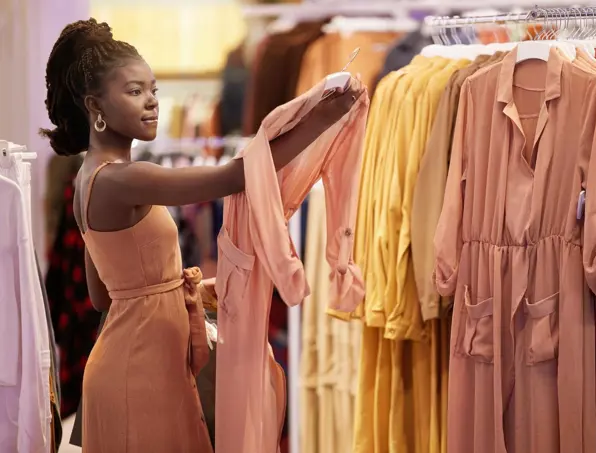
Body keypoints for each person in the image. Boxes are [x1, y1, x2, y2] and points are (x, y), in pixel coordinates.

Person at [39, 18, 361, 453]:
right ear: (95, 106)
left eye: (153, 89)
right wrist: (321, 117)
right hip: (142, 374)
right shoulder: (122, 179)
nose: (152, 102)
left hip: (139, 364)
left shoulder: (87, 179)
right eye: (134, 92)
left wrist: (177, 290)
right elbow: (235, 175)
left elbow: (104, 296)